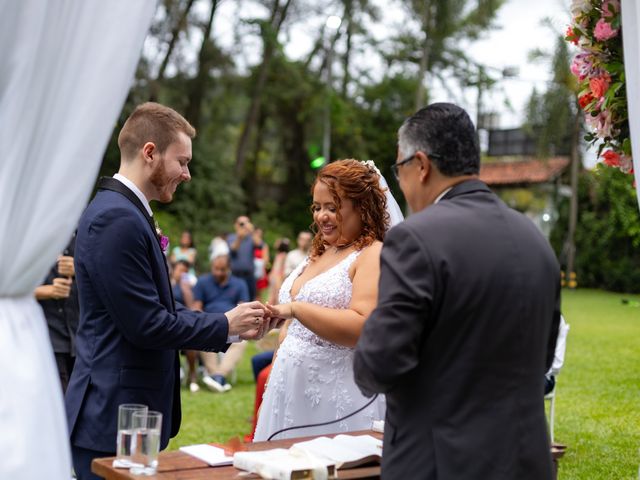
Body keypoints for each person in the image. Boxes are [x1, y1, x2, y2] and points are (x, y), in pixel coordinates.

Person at [65, 102, 274, 480]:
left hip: (126, 415)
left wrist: (230, 324)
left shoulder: (127, 211)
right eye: (182, 161)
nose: (187, 173)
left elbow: (158, 305)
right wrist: (224, 324)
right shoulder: (116, 218)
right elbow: (146, 324)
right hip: (110, 416)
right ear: (150, 153)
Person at [353, 103, 561, 479]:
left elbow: (379, 364)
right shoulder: (535, 240)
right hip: (526, 460)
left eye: (399, 169)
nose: (400, 181)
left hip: (442, 461)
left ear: (421, 164)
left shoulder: (415, 239)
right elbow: (543, 357)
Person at [253, 159, 402, 441]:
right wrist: (274, 379)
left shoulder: (372, 254)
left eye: (333, 207)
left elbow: (362, 327)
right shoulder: (319, 251)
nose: (322, 216)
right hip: (288, 390)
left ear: (362, 207)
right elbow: (291, 329)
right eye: (318, 207)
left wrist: (296, 309)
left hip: (335, 398)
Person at [193, 254, 250, 393]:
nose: (218, 272)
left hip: (232, 325)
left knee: (241, 342)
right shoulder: (202, 282)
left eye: (222, 269)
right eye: (216, 269)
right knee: (203, 337)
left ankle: (218, 376)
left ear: (229, 268)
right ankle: (218, 377)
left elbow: (244, 308)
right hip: (210, 324)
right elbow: (196, 307)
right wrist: (203, 321)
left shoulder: (239, 284)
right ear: (212, 267)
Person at [34, 234, 79, 393]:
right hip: (46, 339)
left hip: (80, 339)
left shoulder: (85, 227)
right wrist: (43, 292)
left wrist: (79, 267)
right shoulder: (26, 232)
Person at [170, 260, 200, 393]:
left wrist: (186, 290)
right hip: (169, 323)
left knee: (191, 342)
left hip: (184, 322)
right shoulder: (166, 284)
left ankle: (192, 376)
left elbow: (191, 308)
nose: (182, 274)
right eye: (180, 270)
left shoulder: (189, 287)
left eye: (185, 272)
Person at [228, 215, 257, 300]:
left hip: (249, 276)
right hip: (235, 276)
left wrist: (252, 231)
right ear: (235, 225)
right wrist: (239, 237)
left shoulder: (252, 237)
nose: (244, 226)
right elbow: (233, 249)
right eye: (241, 223)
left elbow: (260, 245)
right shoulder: (231, 237)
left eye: (246, 223)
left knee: (251, 301)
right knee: (236, 301)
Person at [267, 237, 290, 305]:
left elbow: (281, 267)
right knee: (272, 294)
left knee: (277, 294)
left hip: (278, 277)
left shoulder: (284, 255)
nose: (276, 244)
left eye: (278, 242)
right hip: (275, 276)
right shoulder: (279, 254)